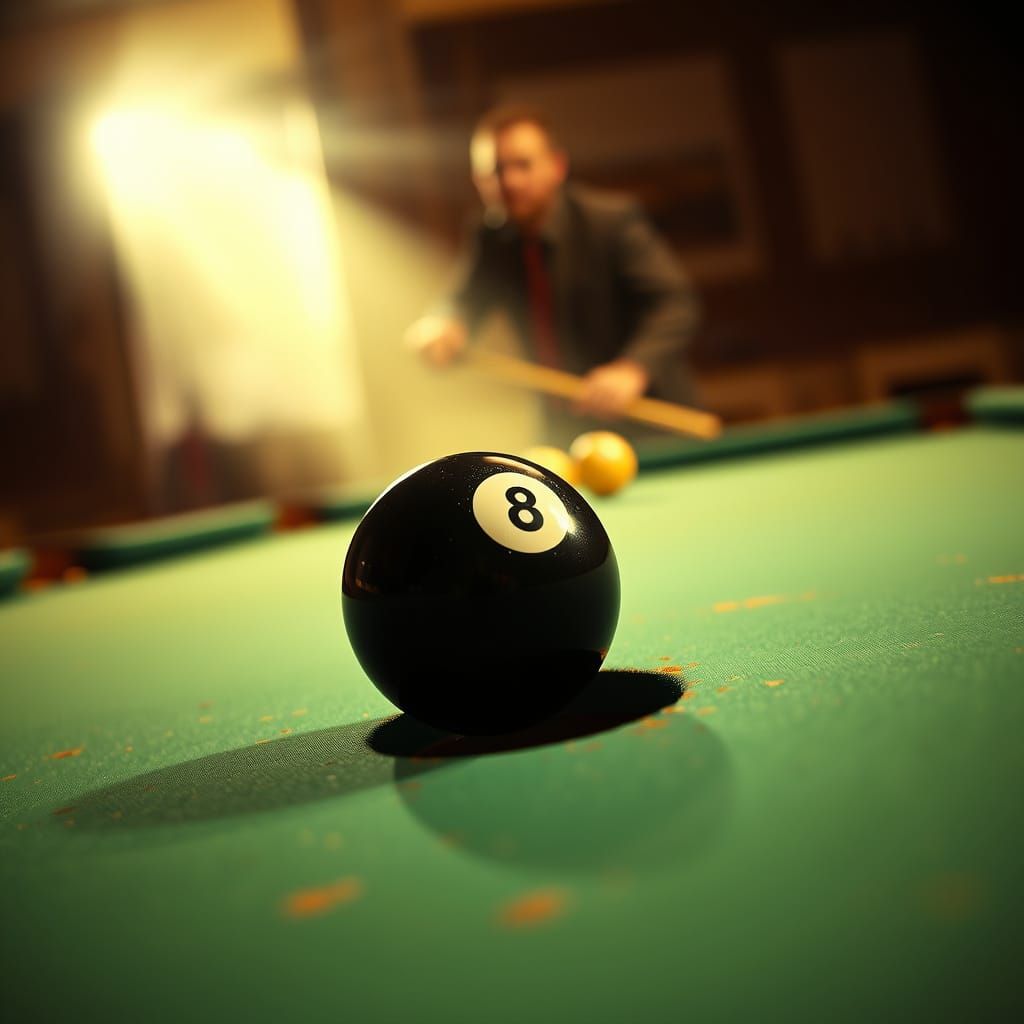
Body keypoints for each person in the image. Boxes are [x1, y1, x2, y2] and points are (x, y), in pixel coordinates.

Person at [406, 104, 702, 445]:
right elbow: (463, 301)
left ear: (557, 166)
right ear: (479, 180)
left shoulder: (610, 221)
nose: (510, 181)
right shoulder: (491, 237)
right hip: (563, 430)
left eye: (523, 165)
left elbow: (675, 303)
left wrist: (631, 369)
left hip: (648, 423)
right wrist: (443, 324)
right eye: (496, 170)